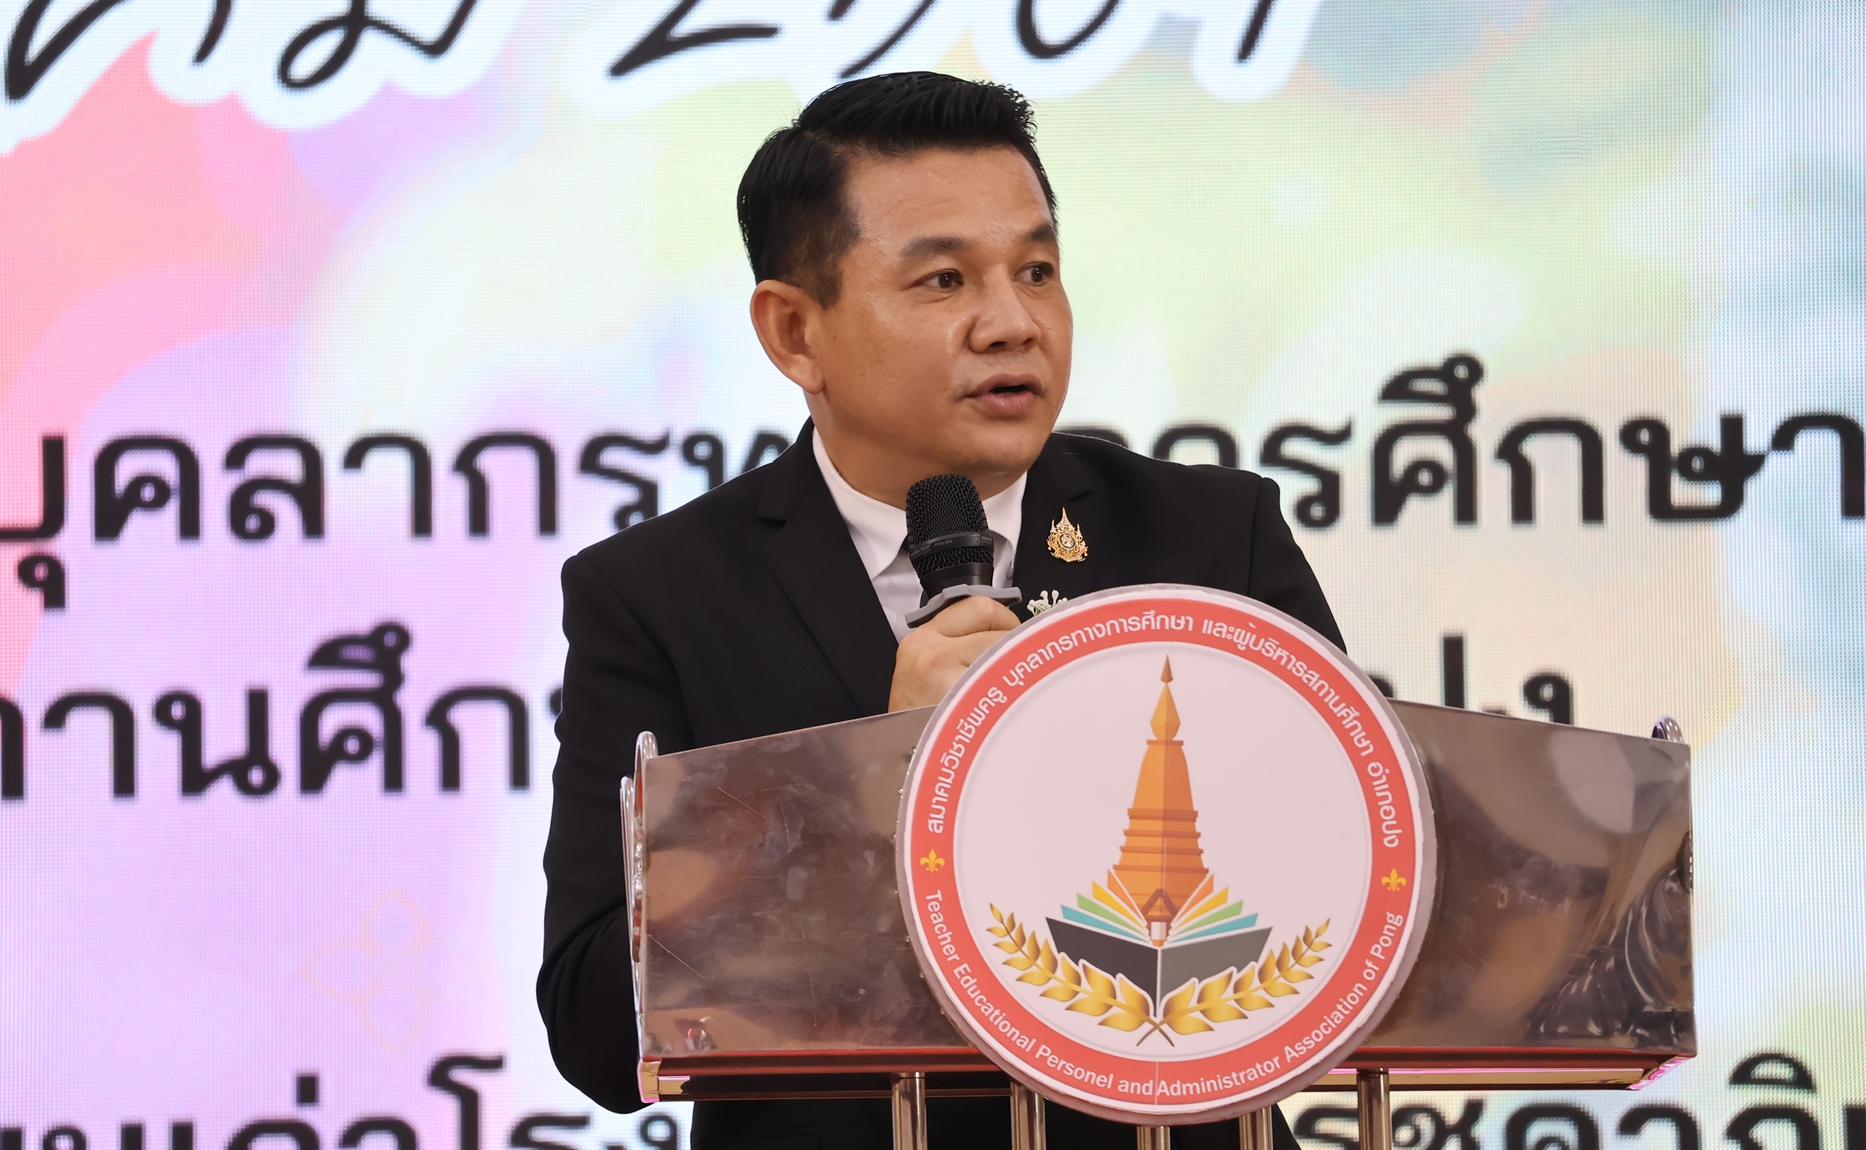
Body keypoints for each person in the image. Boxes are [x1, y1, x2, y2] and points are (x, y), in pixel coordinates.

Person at [539, 71, 1341, 1150]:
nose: (1012, 323)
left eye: (1036, 270)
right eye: (943, 280)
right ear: (794, 332)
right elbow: (596, 1029)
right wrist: (867, 786)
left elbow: (1359, 881)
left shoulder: (1206, 539)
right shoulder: (661, 596)